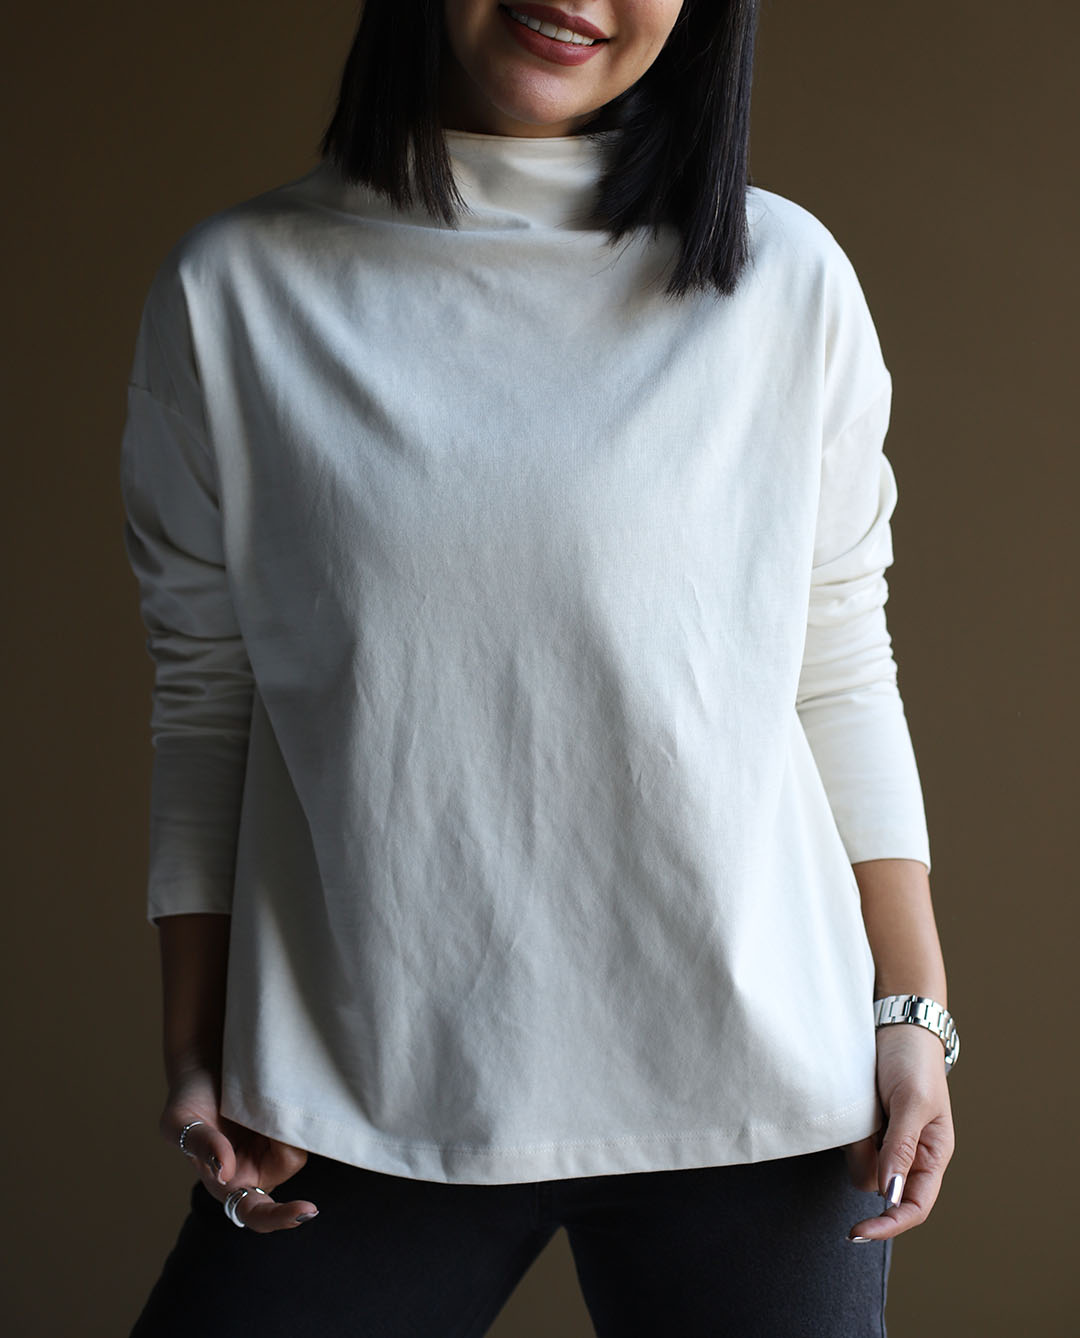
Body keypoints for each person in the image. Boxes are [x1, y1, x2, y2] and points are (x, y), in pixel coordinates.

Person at [119, 2, 957, 1334]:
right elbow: (209, 694)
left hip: (766, 1098)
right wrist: (196, 1042)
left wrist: (912, 1012)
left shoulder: (785, 277)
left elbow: (839, 659)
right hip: (352, 1082)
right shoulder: (236, 288)